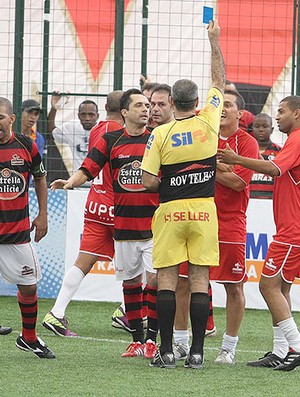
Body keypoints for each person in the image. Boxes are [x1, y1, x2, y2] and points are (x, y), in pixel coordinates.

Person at [50, 89, 159, 359]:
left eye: (147, 105)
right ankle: (136, 341)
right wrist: (69, 182)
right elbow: (88, 168)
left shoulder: (157, 139)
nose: (145, 109)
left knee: (155, 282)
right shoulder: (110, 140)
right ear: (125, 112)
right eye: (139, 105)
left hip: (155, 227)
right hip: (123, 227)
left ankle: (153, 341)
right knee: (131, 284)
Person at [141, 19, 225, 369]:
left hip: (171, 211)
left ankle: (166, 352)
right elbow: (219, 81)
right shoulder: (210, 121)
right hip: (204, 211)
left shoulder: (159, 134)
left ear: (172, 101)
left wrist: (170, 184)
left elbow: (146, 181)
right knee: (201, 280)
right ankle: (197, 353)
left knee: (167, 280)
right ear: (197, 101)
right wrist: (214, 42)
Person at [218, 95, 300, 371]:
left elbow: (274, 168)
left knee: (267, 285)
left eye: (282, 111)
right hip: (290, 229)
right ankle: (281, 351)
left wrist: (236, 158)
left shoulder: (298, 138)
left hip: (292, 231)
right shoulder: (293, 140)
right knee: (282, 288)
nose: (277, 117)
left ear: (297, 114)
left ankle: (296, 346)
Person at [42, 91, 124, 336]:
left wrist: (71, 181)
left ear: (105, 108)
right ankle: (128, 313)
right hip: (118, 206)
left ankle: (56, 313)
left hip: (95, 202)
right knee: (142, 261)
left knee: (83, 261)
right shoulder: (121, 133)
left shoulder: (98, 130)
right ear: (125, 110)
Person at [0, 96, 55, 358]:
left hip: (17, 234)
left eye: (0, 117)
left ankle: (29, 337)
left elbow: (41, 177)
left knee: (29, 286)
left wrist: (43, 215)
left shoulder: (26, 145)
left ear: (11, 119)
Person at [209, 89, 259, 365]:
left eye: (228, 105)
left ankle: (228, 347)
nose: (223, 109)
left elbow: (239, 183)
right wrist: (223, 170)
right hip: (200, 219)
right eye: (220, 105)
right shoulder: (205, 137)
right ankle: (181, 342)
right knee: (185, 283)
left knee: (233, 286)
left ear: (240, 113)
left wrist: (209, 167)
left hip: (231, 222)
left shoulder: (247, 143)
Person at [47, 94, 99, 175]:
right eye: (83, 114)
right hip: (78, 181)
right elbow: (51, 132)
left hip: (99, 182)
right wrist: (54, 108)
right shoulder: (71, 127)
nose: (87, 118)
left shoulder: (104, 129)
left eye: (91, 115)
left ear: (97, 116)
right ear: (78, 115)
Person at [250, 113, 281, 199]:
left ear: (271, 129)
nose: (260, 130)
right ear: (252, 128)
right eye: (257, 126)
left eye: (265, 126)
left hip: (271, 200)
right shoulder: (245, 150)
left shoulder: (279, 152)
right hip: (248, 199)